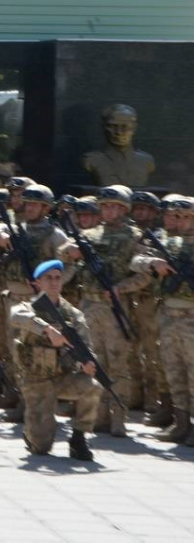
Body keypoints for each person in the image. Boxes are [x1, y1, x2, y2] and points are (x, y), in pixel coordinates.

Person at [0, 184, 76, 420]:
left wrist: (51, 284)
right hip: (13, 299)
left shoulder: (54, 234)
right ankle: (19, 397)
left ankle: (35, 404)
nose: (29, 208)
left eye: (35, 205)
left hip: (39, 303)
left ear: (46, 208)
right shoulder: (13, 228)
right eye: (27, 203)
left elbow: (69, 266)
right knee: (15, 351)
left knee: (37, 353)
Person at [9, 260, 102, 460]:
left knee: (93, 386)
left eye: (57, 278)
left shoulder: (73, 314)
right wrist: (46, 329)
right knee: (40, 448)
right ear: (38, 283)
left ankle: (78, 438)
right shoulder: (27, 307)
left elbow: (87, 347)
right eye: (48, 278)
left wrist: (88, 363)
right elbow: (15, 317)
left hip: (63, 377)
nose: (53, 282)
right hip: (36, 381)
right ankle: (32, 432)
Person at [75, 185, 147, 434]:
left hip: (116, 307)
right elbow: (68, 257)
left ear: (124, 209)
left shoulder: (134, 237)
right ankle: (99, 415)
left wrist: (121, 288)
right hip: (89, 304)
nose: (108, 210)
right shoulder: (89, 235)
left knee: (117, 363)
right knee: (93, 361)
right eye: (104, 206)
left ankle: (118, 417)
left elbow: (144, 275)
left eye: (114, 206)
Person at [132, 203, 194, 444]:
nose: (182, 222)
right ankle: (180, 424)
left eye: (188, 216)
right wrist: (153, 265)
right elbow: (135, 261)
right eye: (178, 217)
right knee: (173, 370)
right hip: (169, 316)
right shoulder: (169, 244)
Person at [81, 104, 156, 188]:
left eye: (125, 126)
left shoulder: (146, 161)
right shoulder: (91, 160)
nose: (118, 132)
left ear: (134, 128)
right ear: (104, 127)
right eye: (113, 126)